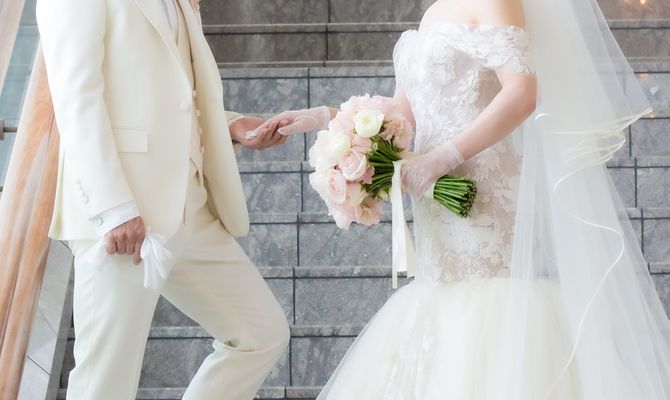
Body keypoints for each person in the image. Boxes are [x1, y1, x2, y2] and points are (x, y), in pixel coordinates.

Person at [256, 0, 670, 398]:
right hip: (435, 200)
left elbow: (523, 91)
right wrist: (325, 118)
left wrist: (444, 157)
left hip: (484, 192)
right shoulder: (435, 10)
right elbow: (401, 115)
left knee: (490, 308)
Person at [36, 0, 290, 398]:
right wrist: (114, 208)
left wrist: (232, 125)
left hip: (190, 205)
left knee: (261, 333)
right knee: (105, 381)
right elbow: (76, 99)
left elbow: (170, 88)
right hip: (124, 215)